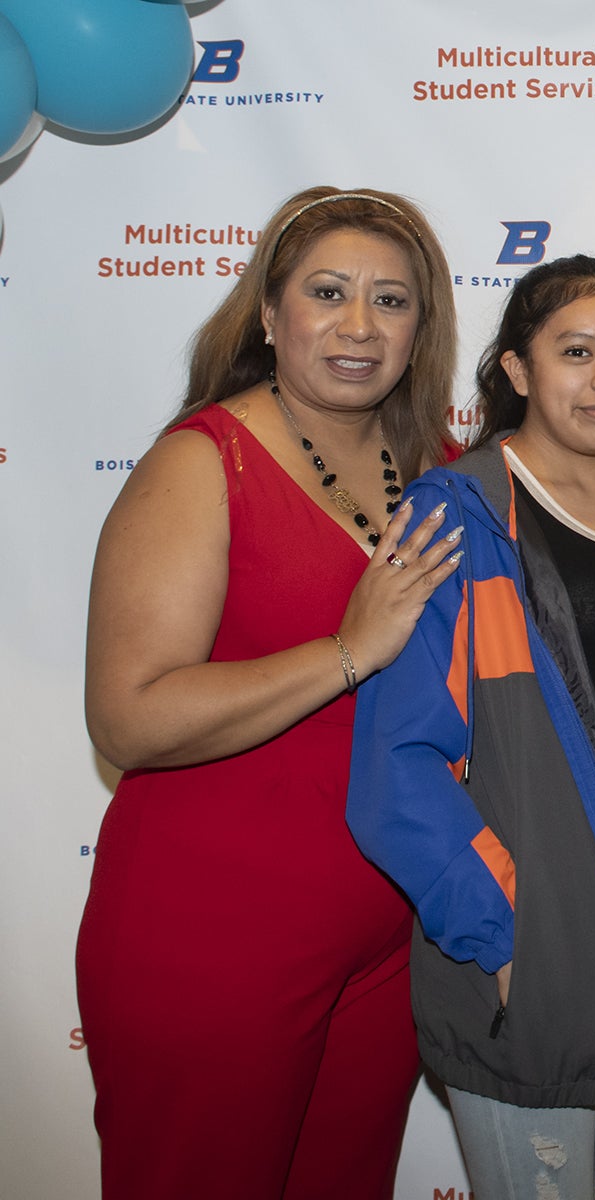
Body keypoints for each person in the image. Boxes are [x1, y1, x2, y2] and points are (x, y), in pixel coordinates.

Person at [78, 186, 461, 1199]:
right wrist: (346, 652)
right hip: (213, 939)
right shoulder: (202, 463)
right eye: (328, 293)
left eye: (392, 301)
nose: (357, 325)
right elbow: (128, 713)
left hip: (388, 948)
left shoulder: (437, 466)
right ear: (267, 312)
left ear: (422, 331)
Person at [345, 255, 595, 1200]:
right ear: (517, 370)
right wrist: (499, 934)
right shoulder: (461, 513)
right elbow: (396, 763)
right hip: (533, 937)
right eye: (577, 352)